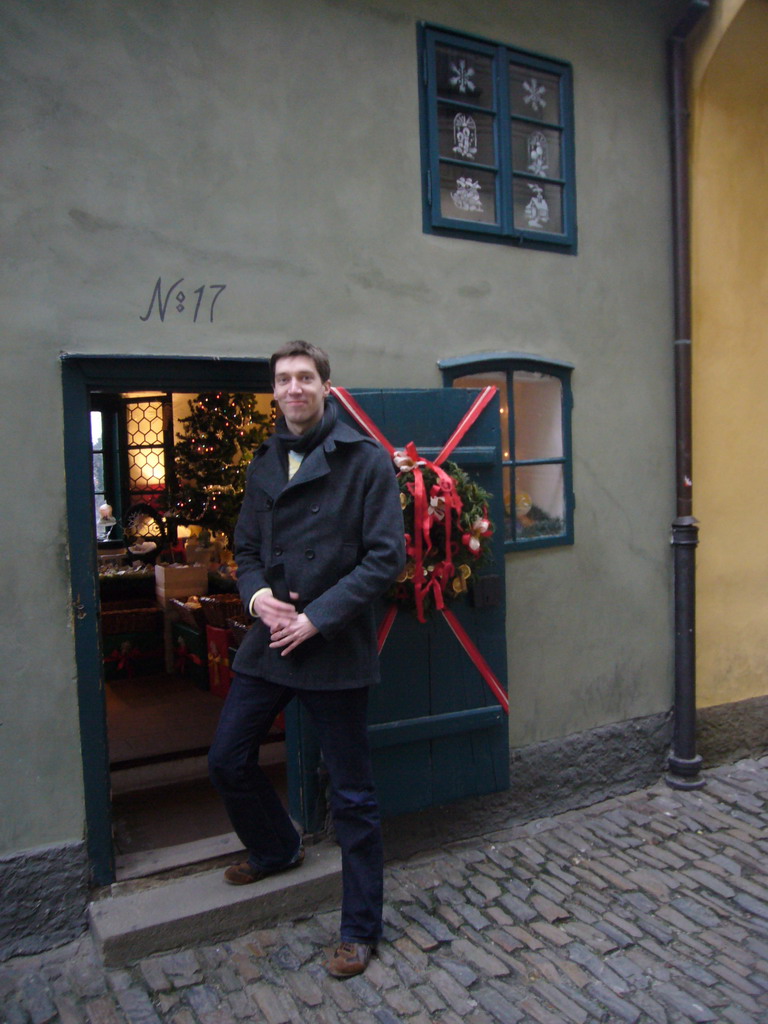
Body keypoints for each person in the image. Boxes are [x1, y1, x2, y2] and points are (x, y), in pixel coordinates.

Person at [208, 340, 405, 979]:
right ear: (276, 392)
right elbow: (244, 549)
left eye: (305, 378)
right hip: (272, 635)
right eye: (284, 379)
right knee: (228, 757)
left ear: (326, 385)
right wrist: (259, 596)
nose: (294, 388)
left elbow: (385, 558)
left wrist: (318, 617)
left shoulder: (366, 461)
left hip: (333, 643)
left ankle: (360, 929)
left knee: (350, 794)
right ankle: (276, 846)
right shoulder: (263, 462)